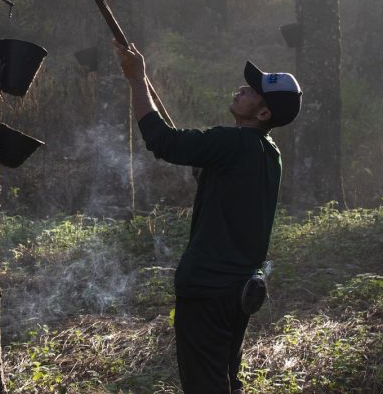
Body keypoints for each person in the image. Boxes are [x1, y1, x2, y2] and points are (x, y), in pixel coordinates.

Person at [112, 40, 301, 394]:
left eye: (252, 91)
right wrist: (209, 173)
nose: (242, 89)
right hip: (240, 291)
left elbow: (162, 141)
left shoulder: (232, 143)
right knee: (226, 378)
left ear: (263, 114)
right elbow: (236, 192)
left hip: (208, 290)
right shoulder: (269, 154)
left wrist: (136, 79)